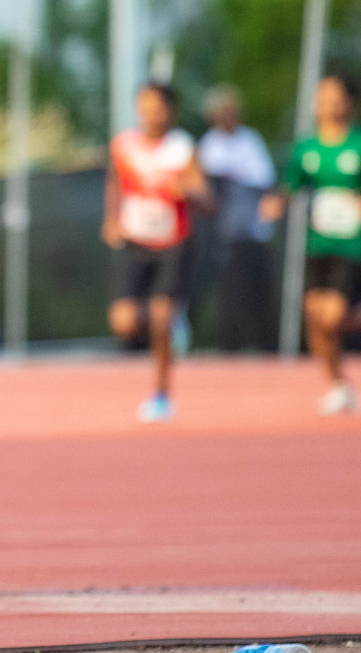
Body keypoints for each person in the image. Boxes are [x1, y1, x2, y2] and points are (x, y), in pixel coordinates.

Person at [102, 82, 210, 423]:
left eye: (158, 107)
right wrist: (111, 219)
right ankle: (168, 321)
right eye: (144, 106)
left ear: (170, 111)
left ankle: (161, 395)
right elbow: (114, 182)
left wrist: (188, 190)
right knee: (124, 321)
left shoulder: (181, 149)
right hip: (136, 243)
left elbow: (208, 199)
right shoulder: (124, 145)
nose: (151, 114)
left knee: (161, 317)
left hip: (173, 244)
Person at [259, 74, 361, 416]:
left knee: (333, 315)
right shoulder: (307, 148)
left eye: (334, 97)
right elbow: (291, 185)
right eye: (322, 97)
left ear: (349, 102)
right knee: (315, 317)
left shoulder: (358, 144)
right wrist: (277, 204)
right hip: (319, 245)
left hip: (353, 246)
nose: (327, 104)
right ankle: (338, 386)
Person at [196, 86, 276, 351]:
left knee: (257, 289)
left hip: (251, 231)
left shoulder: (250, 140)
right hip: (223, 234)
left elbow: (264, 180)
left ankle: (263, 342)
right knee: (228, 291)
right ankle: (228, 343)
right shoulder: (209, 144)